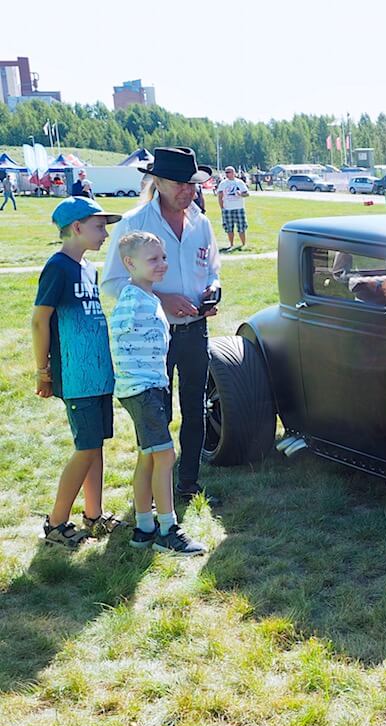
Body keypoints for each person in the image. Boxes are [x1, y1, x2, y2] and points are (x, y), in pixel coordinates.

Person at [102, 146, 222, 507]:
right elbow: (112, 283)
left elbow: (212, 268)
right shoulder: (135, 223)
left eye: (193, 184)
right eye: (181, 184)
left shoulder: (201, 222)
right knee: (158, 411)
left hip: (195, 330)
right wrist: (162, 298)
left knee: (196, 405)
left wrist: (213, 289)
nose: (189, 191)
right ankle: (159, 488)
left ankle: (188, 482)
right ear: (157, 181)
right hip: (153, 337)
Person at [31, 197, 125, 547]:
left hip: (99, 375)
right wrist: (44, 372)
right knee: (85, 448)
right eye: (100, 226)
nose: (104, 234)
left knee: (95, 445)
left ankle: (94, 515)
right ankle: (56, 523)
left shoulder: (88, 269)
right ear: (77, 228)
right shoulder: (58, 267)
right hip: (76, 377)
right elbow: (40, 320)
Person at [110, 231, 206, 555]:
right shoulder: (131, 300)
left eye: (163, 257)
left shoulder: (147, 297)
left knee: (149, 456)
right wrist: (137, 383)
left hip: (149, 387)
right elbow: (118, 341)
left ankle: (143, 528)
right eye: (153, 259)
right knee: (165, 455)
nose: (162, 264)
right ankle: (168, 529)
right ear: (129, 263)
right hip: (143, 390)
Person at [216, 165, 249, 249]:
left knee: (241, 227)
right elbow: (220, 196)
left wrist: (240, 194)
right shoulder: (223, 183)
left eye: (229, 172)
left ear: (234, 173)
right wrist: (222, 207)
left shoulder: (239, 182)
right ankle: (231, 244)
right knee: (229, 228)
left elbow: (247, 194)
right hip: (227, 209)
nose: (227, 174)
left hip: (239, 208)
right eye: (226, 172)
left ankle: (243, 244)